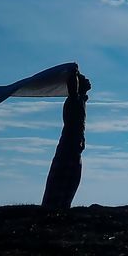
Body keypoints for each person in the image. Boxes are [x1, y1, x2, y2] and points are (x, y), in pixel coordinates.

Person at [41, 67, 90, 210]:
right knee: (64, 179)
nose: (88, 81)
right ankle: (55, 209)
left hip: (74, 147)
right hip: (69, 146)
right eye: (83, 79)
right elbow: (73, 88)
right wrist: (73, 72)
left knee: (70, 180)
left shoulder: (80, 100)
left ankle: (61, 208)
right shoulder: (74, 99)